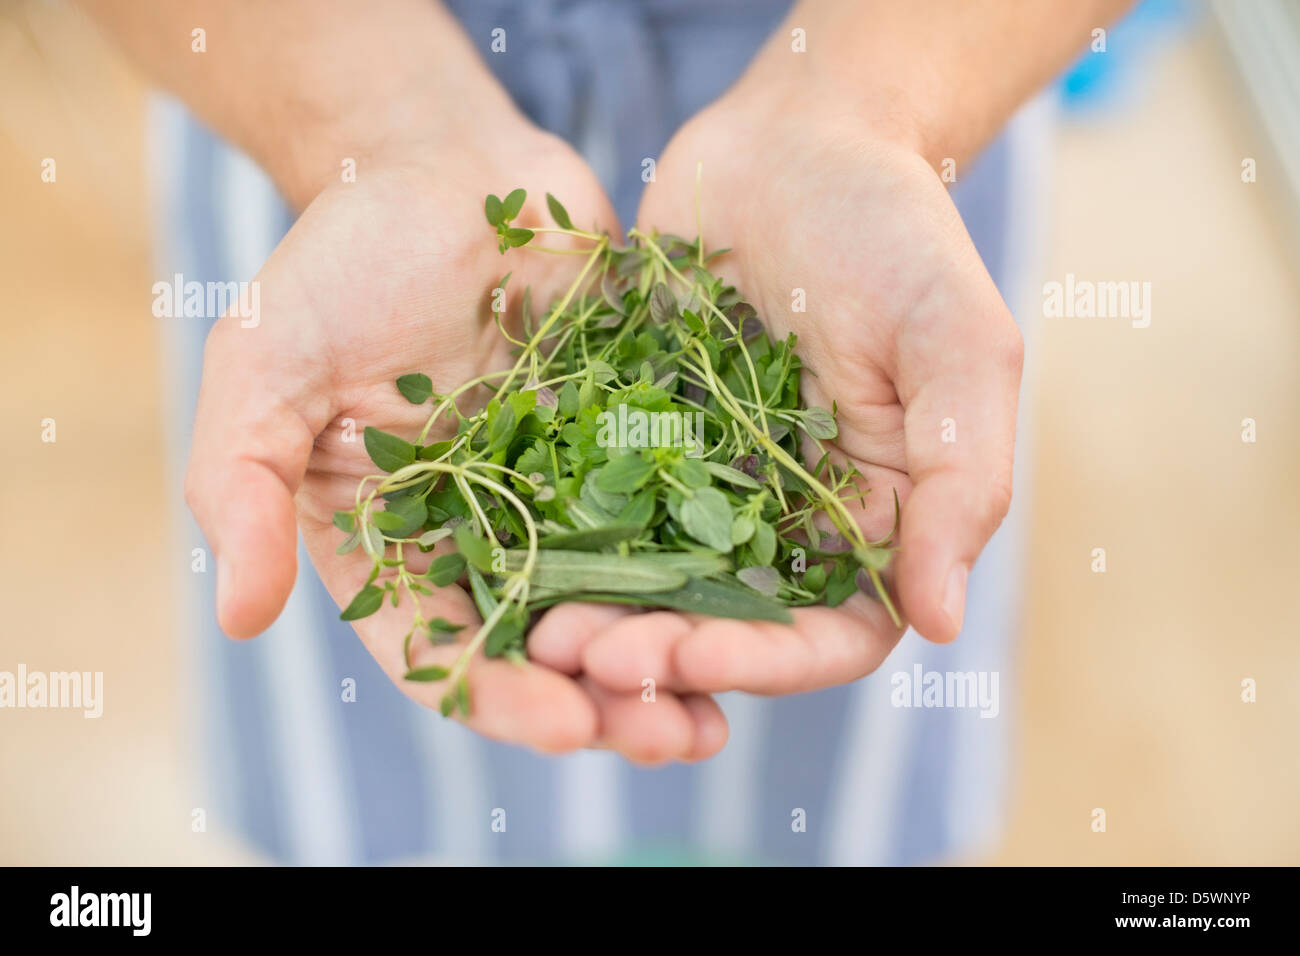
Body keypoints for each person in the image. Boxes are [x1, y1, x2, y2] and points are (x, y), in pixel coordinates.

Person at [84, 0, 1130, 864]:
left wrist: (866, 111)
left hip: (883, 131)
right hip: (323, 112)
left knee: (814, 781)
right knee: (399, 797)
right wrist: (373, 130)